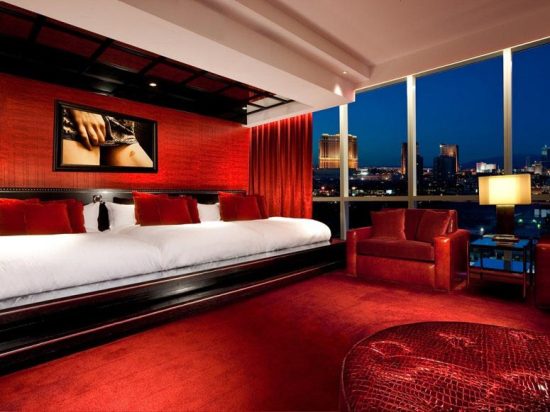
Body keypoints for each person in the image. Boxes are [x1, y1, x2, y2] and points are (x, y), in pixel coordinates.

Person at [61, 108, 153, 167]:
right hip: (82, 109)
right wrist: (78, 104)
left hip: (120, 121)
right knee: (81, 183)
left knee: (150, 184)